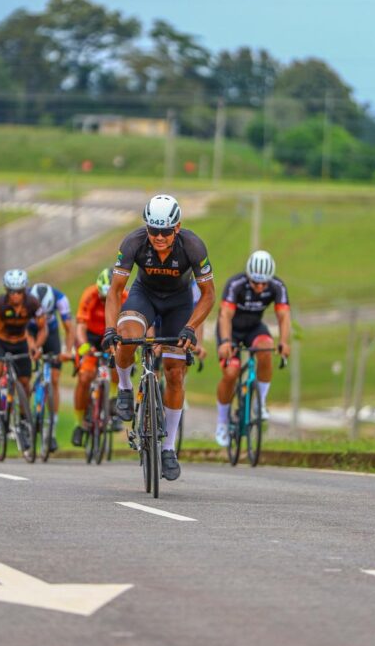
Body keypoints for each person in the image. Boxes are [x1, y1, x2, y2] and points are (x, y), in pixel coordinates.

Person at [103, 194, 215, 480]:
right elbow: (115, 292)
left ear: (177, 228)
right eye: (154, 230)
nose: (159, 237)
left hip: (179, 303)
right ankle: (126, 388)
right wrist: (110, 330)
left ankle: (168, 448)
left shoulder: (192, 245)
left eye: (166, 231)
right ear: (147, 228)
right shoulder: (133, 243)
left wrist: (190, 327)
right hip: (145, 297)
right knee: (127, 337)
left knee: (175, 373)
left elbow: (208, 295)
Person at [215, 249, 291, 446]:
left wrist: (284, 341)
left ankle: (259, 403)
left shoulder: (277, 286)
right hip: (231, 330)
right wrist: (225, 342)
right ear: (248, 275)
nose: (259, 286)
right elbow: (225, 315)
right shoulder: (236, 284)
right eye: (255, 282)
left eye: (263, 283)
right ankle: (222, 422)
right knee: (231, 373)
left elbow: (284, 316)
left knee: (267, 348)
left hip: (254, 329)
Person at [0, 269, 48, 448]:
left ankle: (24, 420)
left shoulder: (32, 303)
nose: (16, 295)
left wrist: (37, 346)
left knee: (25, 383)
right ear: (6, 290)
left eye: (19, 291)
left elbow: (43, 328)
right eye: (12, 291)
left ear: (24, 290)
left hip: (20, 342)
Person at [71, 268, 127, 446]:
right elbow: (80, 324)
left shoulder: (124, 296)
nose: (105, 302)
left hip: (113, 333)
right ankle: (79, 424)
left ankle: (112, 399)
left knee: (120, 362)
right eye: (103, 299)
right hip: (91, 336)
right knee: (85, 377)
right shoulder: (90, 294)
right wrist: (83, 344)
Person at [29, 282, 75, 451]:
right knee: (24, 374)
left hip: (51, 334)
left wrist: (68, 351)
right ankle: (24, 419)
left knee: (54, 379)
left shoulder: (60, 298)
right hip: (29, 332)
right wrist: (31, 347)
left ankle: (51, 430)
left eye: (47, 314)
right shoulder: (26, 298)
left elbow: (70, 329)